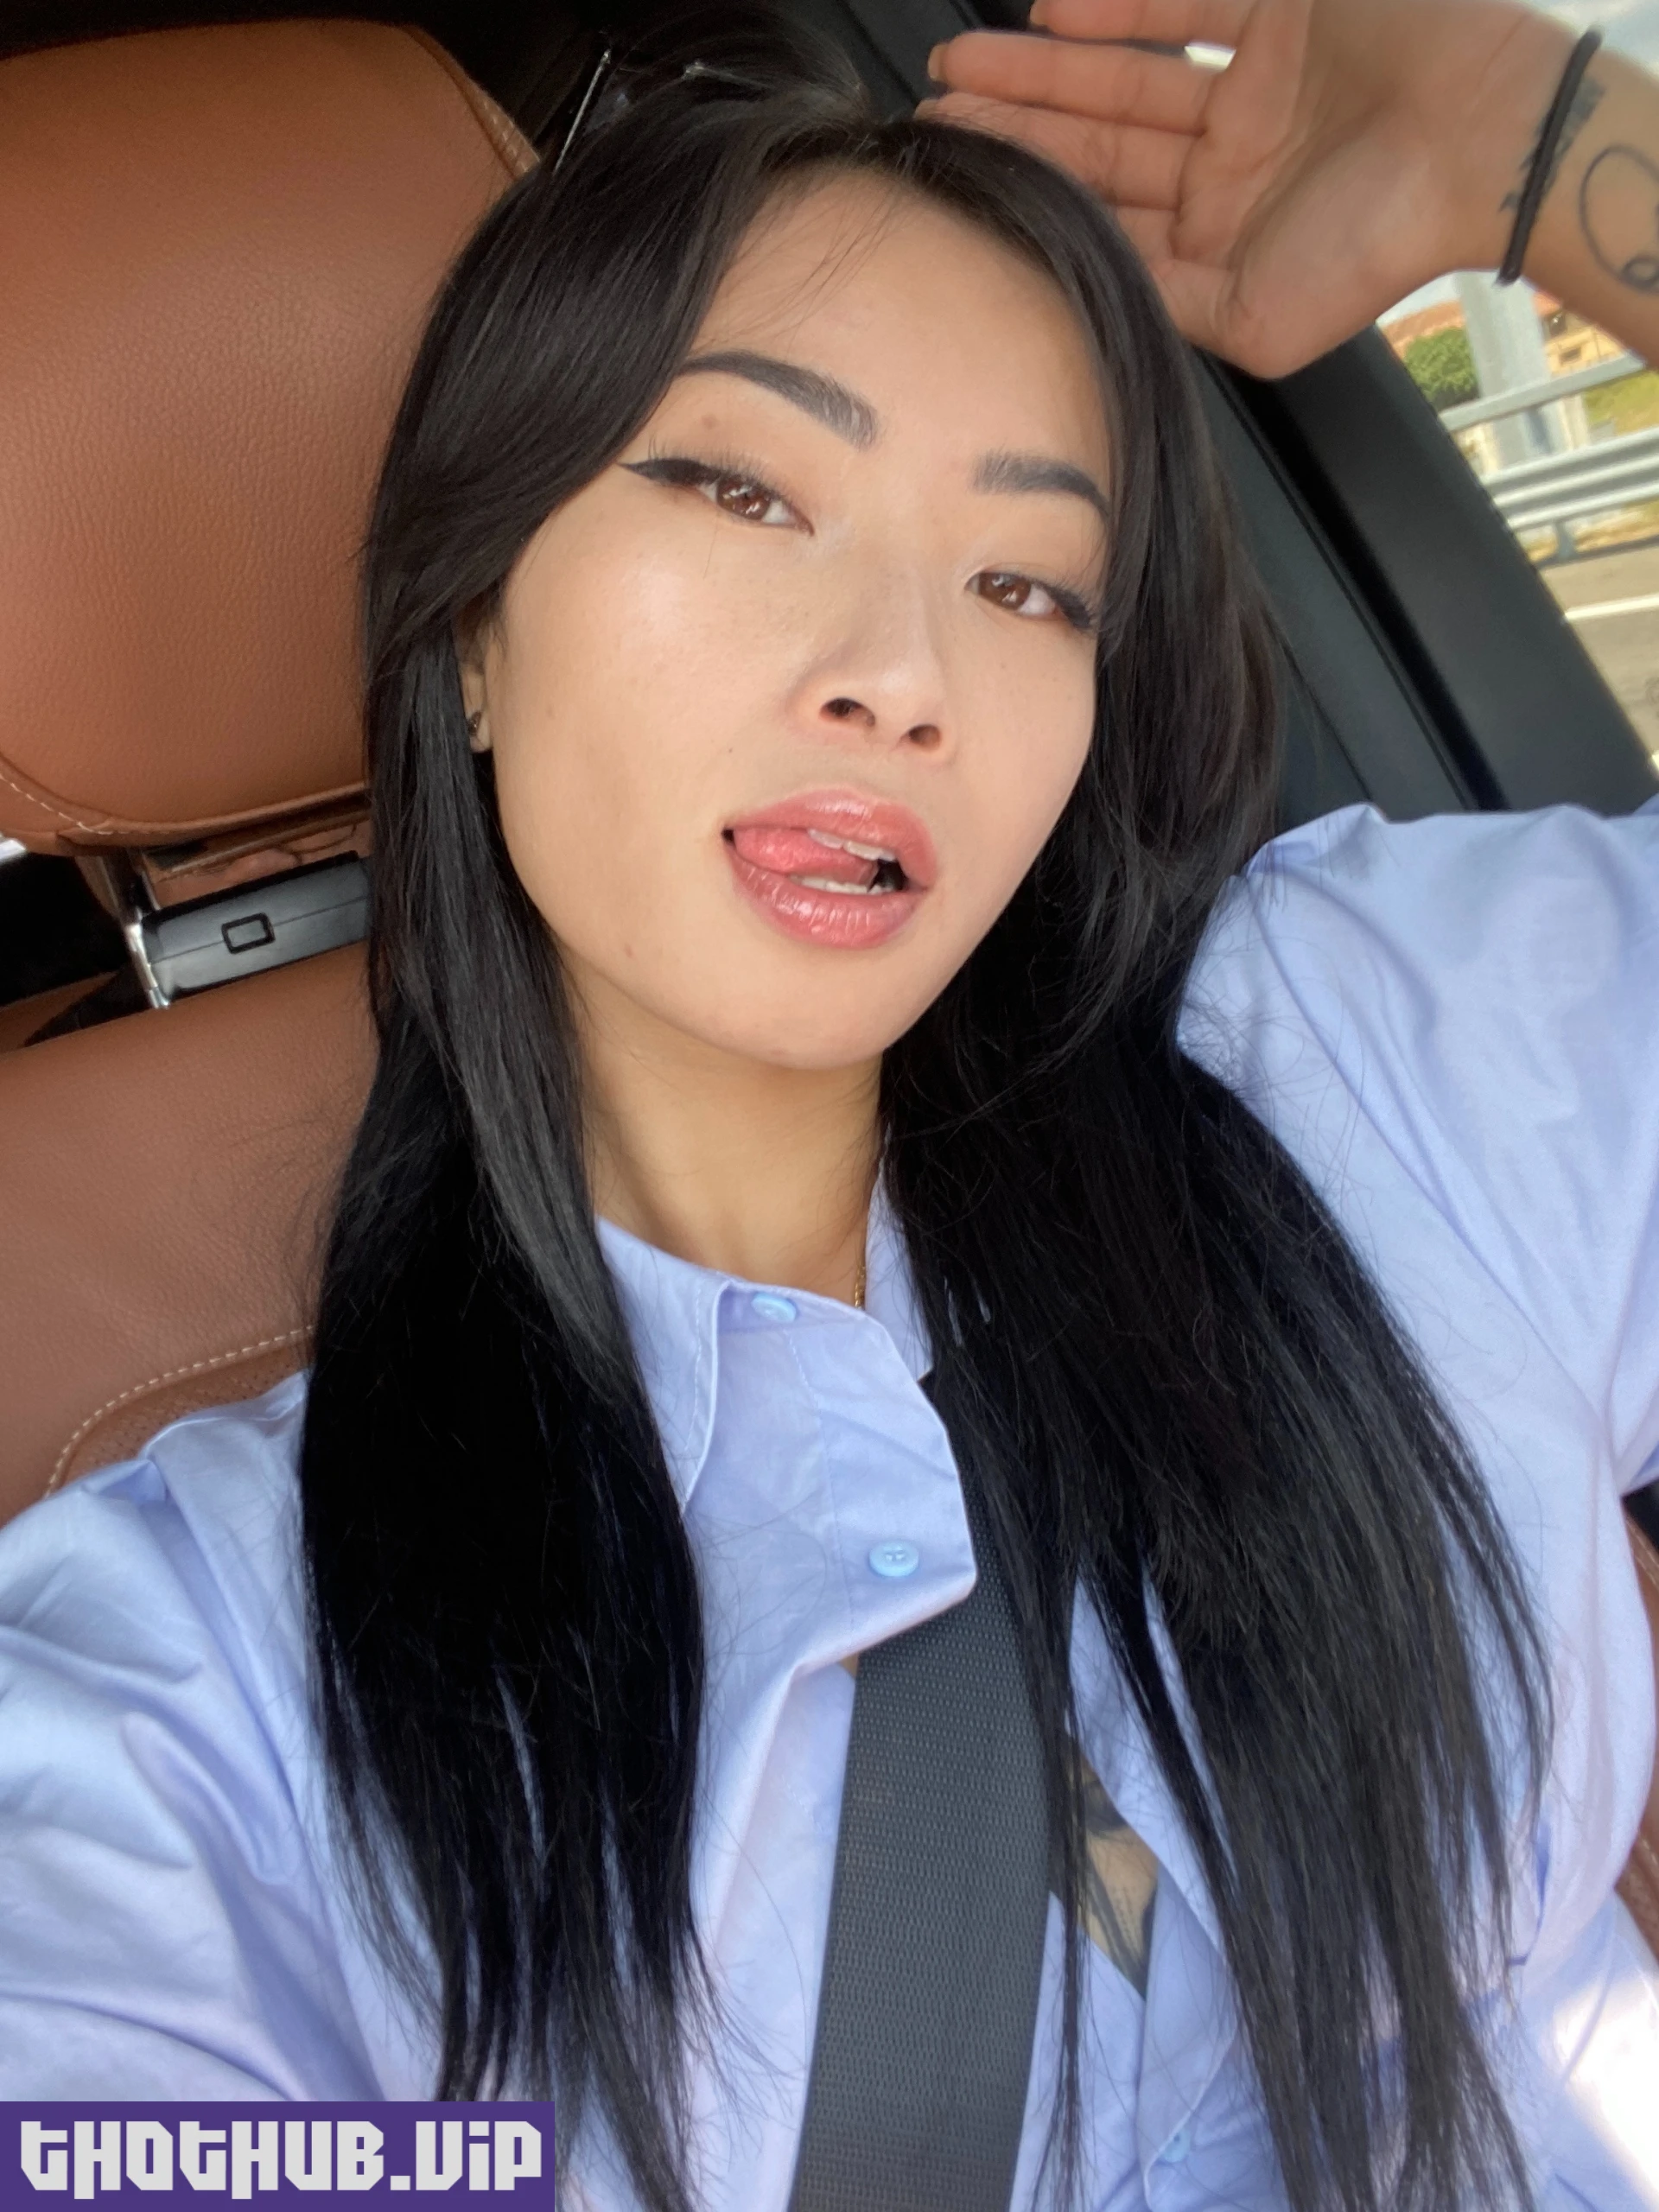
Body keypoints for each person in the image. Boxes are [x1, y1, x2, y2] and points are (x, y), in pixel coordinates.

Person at [0, 3, 1655, 2209]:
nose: (903, 673)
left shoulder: (1364, 1055)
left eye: (1027, 581)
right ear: (471, 619)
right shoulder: (196, 1669)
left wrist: (1542, 150)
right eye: (746, 487)